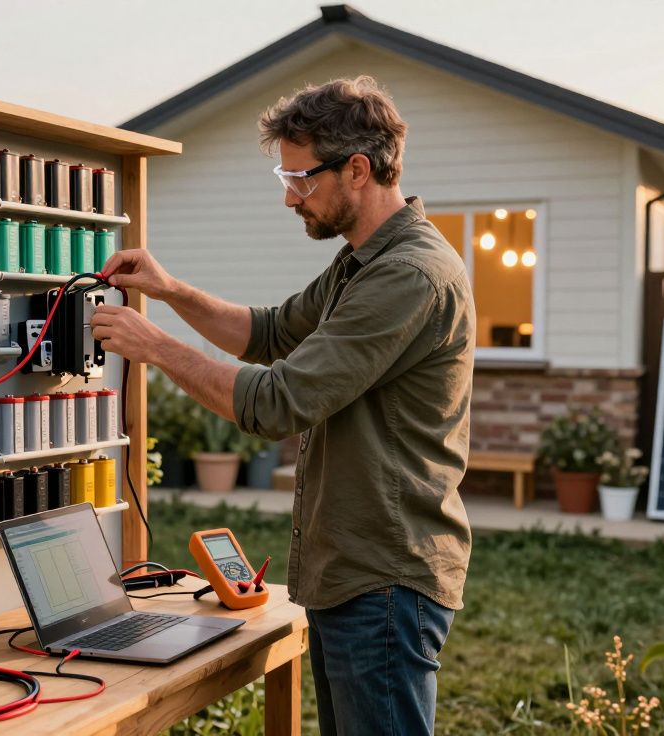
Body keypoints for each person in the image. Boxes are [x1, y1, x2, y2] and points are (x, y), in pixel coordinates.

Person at [90, 75, 473, 736]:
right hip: (352, 576)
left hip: (383, 580)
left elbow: (278, 403)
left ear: (358, 169)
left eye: (301, 180)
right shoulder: (361, 263)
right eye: (284, 178)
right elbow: (266, 333)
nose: (291, 197)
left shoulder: (406, 275)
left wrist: (155, 347)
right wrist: (169, 288)